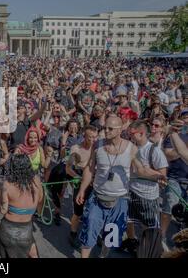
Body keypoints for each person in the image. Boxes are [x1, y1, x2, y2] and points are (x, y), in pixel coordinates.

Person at [76, 116, 165, 258]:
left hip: (119, 201)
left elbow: (141, 170)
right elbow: (90, 169)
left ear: (119, 130)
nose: (106, 131)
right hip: (97, 198)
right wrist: (82, 189)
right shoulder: (97, 145)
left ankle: (103, 256)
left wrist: (158, 175)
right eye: (105, 128)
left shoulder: (131, 148)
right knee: (89, 231)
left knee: (110, 237)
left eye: (110, 128)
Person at [122, 120, 168, 255]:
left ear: (141, 133)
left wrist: (145, 171)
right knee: (128, 219)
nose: (130, 137)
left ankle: (147, 250)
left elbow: (163, 178)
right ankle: (131, 242)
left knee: (148, 227)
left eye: (132, 134)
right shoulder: (131, 147)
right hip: (130, 191)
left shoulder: (154, 150)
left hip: (147, 196)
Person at [0, 154, 43, 258]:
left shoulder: (7, 183)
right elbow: (40, 199)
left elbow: (4, 210)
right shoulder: (36, 180)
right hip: (26, 229)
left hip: (8, 230)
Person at [65, 125, 98, 248]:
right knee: (78, 211)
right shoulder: (76, 148)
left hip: (94, 183)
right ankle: (73, 233)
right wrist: (79, 178)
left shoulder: (98, 148)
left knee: (93, 212)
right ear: (84, 136)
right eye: (90, 137)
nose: (93, 140)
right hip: (80, 183)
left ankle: (93, 234)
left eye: (95, 137)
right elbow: (68, 169)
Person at [161, 109, 188, 248]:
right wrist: (173, 134)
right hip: (175, 177)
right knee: (169, 208)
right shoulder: (175, 136)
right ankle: (162, 236)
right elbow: (169, 154)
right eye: (185, 117)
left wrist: (181, 150)